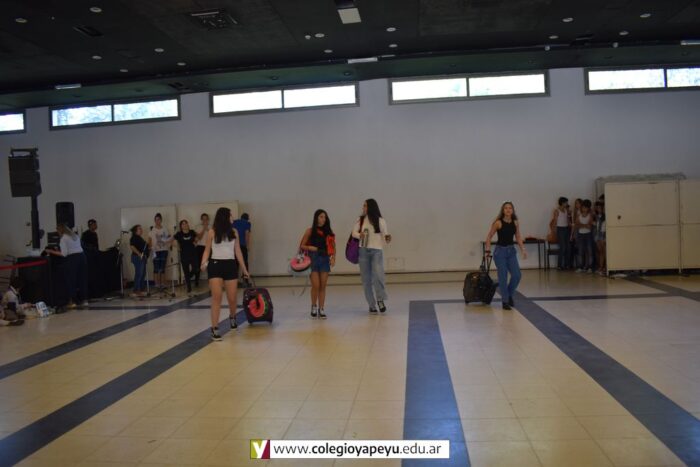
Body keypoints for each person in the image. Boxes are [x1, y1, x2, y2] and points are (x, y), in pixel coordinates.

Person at [200, 207, 250, 341]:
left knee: (232, 298)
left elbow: (238, 251)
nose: (232, 217)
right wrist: (203, 262)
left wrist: (244, 269)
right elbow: (207, 250)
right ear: (224, 217)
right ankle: (215, 328)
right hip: (215, 265)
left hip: (230, 265)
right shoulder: (212, 232)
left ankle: (232, 317)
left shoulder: (234, 232)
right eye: (230, 215)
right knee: (217, 297)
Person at [485, 202, 527, 310]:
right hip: (500, 253)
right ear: (503, 210)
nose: (508, 210)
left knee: (517, 275)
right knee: (503, 277)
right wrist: (487, 250)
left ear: (513, 210)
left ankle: (508, 295)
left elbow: (518, 237)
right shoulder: (498, 223)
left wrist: (523, 249)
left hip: (511, 251)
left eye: (510, 208)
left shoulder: (515, 222)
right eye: (506, 208)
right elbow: (489, 236)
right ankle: (505, 301)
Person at [352, 199, 391, 314]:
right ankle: (371, 305)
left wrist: (388, 238)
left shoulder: (381, 221)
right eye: (363, 205)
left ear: (371, 207)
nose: (363, 207)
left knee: (378, 276)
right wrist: (360, 235)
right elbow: (353, 233)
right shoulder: (360, 219)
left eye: (365, 205)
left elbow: (385, 235)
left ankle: (380, 300)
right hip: (363, 250)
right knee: (366, 279)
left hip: (377, 251)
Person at [299, 209, 336, 319]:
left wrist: (333, 257)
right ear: (316, 218)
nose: (323, 219)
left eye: (325, 217)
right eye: (321, 217)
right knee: (316, 285)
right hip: (313, 259)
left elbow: (333, 246)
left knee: (323, 286)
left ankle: (322, 308)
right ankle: (314, 306)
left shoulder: (328, 232)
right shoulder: (310, 231)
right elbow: (302, 246)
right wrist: (310, 247)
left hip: (325, 258)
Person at [44, 223, 89, 308]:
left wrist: (50, 251)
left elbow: (64, 254)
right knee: (82, 279)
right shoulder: (75, 236)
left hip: (72, 259)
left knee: (71, 280)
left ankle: (73, 301)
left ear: (60, 230)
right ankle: (84, 300)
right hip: (82, 257)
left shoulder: (64, 238)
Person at [148, 213, 172, 290]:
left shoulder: (165, 229)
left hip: (164, 250)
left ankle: (163, 283)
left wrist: (166, 239)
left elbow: (168, 238)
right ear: (154, 221)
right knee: (156, 268)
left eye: (159, 219)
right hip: (155, 251)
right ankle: (156, 283)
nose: (157, 221)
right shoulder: (152, 230)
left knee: (162, 267)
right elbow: (149, 241)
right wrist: (150, 248)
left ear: (161, 220)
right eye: (156, 219)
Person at [174, 220, 198, 294]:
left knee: (196, 269)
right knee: (186, 271)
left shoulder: (192, 232)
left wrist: (196, 242)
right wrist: (177, 246)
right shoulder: (179, 234)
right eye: (183, 224)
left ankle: (188, 276)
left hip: (193, 253)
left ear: (188, 224)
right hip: (184, 254)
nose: (184, 225)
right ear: (181, 226)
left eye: (186, 223)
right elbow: (173, 240)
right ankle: (189, 287)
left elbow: (196, 239)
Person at [550, 197, 572, 270]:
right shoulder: (557, 211)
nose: (567, 204)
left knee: (568, 247)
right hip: (560, 229)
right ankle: (560, 265)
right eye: (566, 202)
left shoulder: (566, 210)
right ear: (562, 203)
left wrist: (572, 225)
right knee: (563, 247)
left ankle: (567, 264)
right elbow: (555, 221)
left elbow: (568, 221)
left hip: (566, 229)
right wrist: (554, 231)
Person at [574, 200, 594, 272]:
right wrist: (585, 225)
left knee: (589, 251)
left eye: (585, 208)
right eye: (583, 207)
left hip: (588, 234)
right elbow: (577, 225)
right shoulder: (579, 215)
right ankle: (580, 267)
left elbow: (590, 226)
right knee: (580, 251)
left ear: (588, 208)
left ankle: (589, 267)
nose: (584, 209)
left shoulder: (590, 215)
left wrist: (582, 225)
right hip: (580, 235)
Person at [129, 225, 149, 297]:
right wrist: (139, 254)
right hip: (137, 257)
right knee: (139, 274)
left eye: (141, 228)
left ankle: (141, 289)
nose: (141, 230)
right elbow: (132, 247)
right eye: (139, 229)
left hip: (142, 258)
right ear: (135, 231)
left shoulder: (140, 238)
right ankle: (136, 290)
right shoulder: (134, 237)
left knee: (142, 273)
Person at [194, 213, 210, 288]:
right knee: (199, 264)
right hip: (199, 247)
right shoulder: (198, 227)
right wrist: (204, 228)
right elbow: (199, 237)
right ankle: (196, 280)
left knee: (209, 264)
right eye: (203, 219)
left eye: (206, 219)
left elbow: (213, 237)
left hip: (208, 247)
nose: (204, 220)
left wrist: (208, 229)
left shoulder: (211, 227)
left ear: (208, 219)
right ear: (201, 219)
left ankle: (210, 280)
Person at [594, 201, 607, 275]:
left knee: (604, 252)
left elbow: (605, 227)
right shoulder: (597, 216)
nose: (598, 209)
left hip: (603, 234)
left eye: (599, 207)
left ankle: (605, 267)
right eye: (597, 207)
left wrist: (604, 237)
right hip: (597, 234)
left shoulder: (605, 216)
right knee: (600, 252)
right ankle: (601, 267)